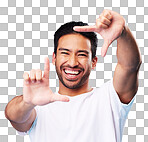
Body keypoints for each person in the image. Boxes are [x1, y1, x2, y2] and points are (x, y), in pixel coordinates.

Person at [5, 9, 141, 142]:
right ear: (54, 58)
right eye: (65, 53)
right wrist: (27, 102)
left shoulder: (110, 98)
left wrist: (123, 33)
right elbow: (13, 116)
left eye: (81, 54)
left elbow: (130, 66)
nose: (72, 63)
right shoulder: (38, 106)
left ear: (93, 62)